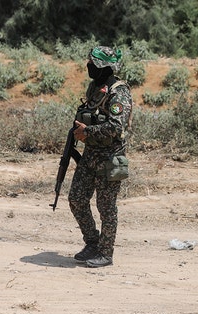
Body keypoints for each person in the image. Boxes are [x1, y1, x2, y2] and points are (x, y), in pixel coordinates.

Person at [68, 46, 132, 268]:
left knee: (106, 208)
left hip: (109, 157)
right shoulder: (95, 88)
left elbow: (116, 126)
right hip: (90, 154)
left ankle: (106, 253)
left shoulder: (119, 92)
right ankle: (92, 243)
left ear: (105, 68)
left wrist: (88, 132)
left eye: (94, 64)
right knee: (76, 199)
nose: (89, 67)